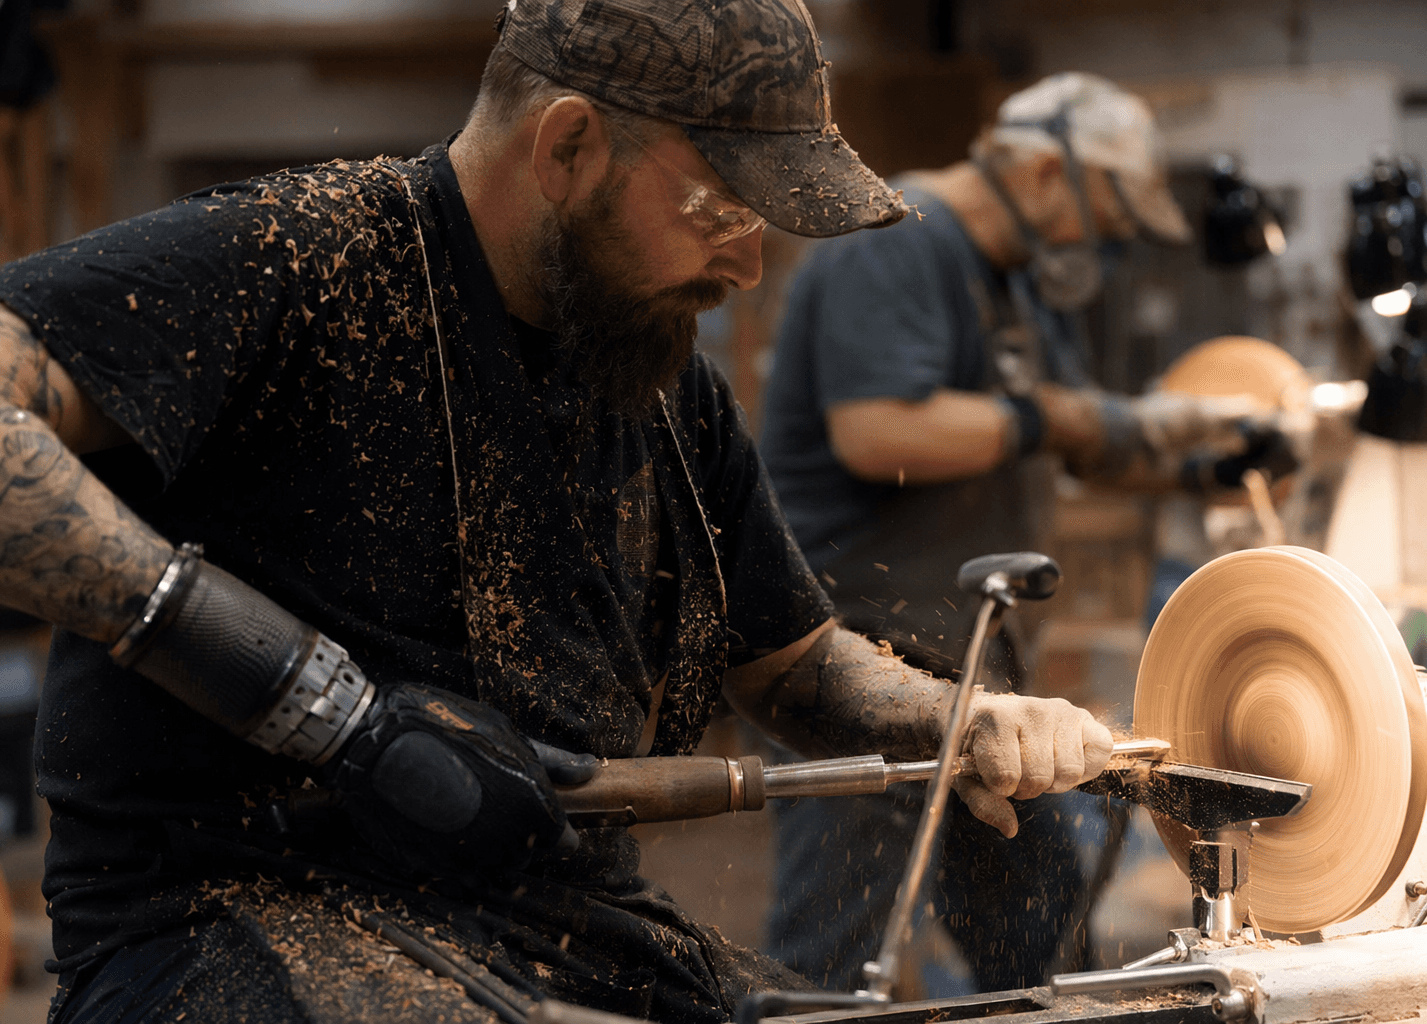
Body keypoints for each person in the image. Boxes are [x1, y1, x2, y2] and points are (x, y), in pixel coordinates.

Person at [0, 3, 1116, 1023]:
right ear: (569, 145)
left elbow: (798, 668)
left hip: (553, 923)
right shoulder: (303, 257)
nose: (748, 265)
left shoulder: (664, 386)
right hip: (228, 920)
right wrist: (319, 707)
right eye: (722, 208)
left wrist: (960, 717)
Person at [757, 73, 1292, 992]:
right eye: (1106, 223)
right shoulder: (897, 240)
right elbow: (879, 430)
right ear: (1047, 173)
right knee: (836, 951)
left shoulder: (1014, 282)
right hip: (860, 666)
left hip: (975, 673)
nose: (1106, 251)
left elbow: (1071, 435)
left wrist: (1204, 461)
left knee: (1040, 926)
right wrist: (1060, 417)